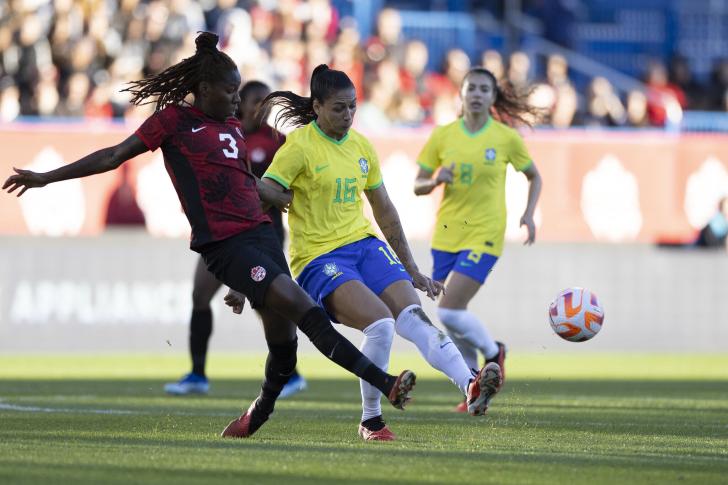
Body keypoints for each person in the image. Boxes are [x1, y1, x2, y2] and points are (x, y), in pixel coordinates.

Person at [2, 32, 416, 439]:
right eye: (230, 91)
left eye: (239, 92)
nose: (237, 100)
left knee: (284, 347)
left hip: (262, 236)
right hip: (225, 244)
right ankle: (385, 382)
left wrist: (251, 271)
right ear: (203, 89)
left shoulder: (232, 126)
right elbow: (112, 155)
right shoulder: (173, 122)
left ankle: (257, 414)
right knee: (300, 305)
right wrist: (46, 178)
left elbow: (245, 185)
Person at [246, 64, 503, 442]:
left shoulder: (361, 146)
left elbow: (384, 209)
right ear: (316, 107)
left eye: (353, 106)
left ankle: (470, 384)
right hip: (320, 258)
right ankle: (371, 420)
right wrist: (274, 193)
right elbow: (263, 188)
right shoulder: (298, 147)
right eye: (338, 108)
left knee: (414, 316)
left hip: (365, 245)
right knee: (381, 324)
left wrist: (412, 268)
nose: (348, 115)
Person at [164, 80, 307, 398]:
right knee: (200, 295)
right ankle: (198, 374)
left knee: (268, 302)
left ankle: (290, 373)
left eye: (266, 101)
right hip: (221, 232)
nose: (262, 106)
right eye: (257, 99)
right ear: (241, 101)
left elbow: (285, 191)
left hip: (263, 231)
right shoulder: (225, 132)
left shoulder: (276, 141)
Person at [414, 67, 543, 412]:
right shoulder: (443, 136)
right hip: (446, 234)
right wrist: (436, 179)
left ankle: (493, 353)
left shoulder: (505, 138)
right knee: (451, 316)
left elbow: (534, 176)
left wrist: (529, 213)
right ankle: (474, 388)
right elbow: (418, 184)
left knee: (450, 310)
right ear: (461, 93)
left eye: (484, 89)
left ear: (492, 97)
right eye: (471, 88)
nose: (476, 94)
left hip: (485, 232)